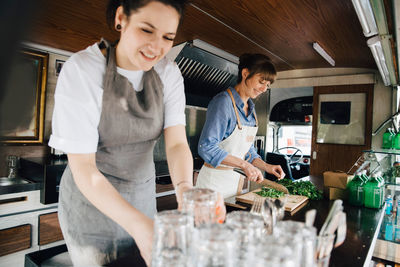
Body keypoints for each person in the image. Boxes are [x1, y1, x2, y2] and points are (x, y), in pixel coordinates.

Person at [49, 1, 225, 266]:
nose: (157, 47)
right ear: (121, 18)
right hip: (92, 208)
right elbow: (84, 169)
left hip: (142, 199)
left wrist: (186, 190)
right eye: (146, 30)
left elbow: (176, 142)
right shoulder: (82, 70)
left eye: (168, 37)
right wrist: (140, 226)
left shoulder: (169, 73)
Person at [196, 53, 285, 198]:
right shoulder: (223, 103)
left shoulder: (251, 109)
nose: (264, 89)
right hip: (213, 185)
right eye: (261, 82)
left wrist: (267, 167)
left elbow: (247, 151)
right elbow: (206, 147)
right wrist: (244, 165)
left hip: (234, 184)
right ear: (245, 73)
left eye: (267, 85)